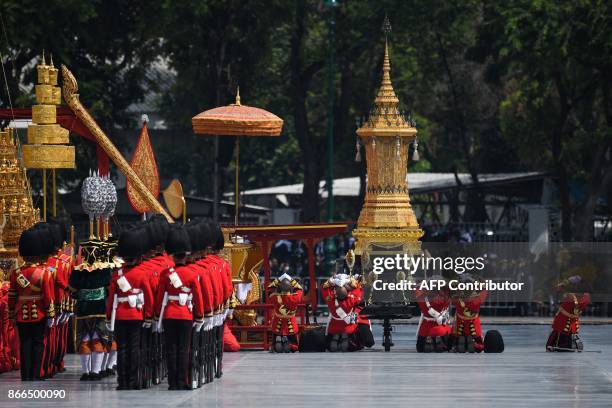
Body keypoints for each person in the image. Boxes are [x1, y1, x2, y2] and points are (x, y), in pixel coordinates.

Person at [154, 225, 204, 390]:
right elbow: (197, 298)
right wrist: (200, 316)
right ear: (186, 255)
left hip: (169, 314)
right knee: (184, 349)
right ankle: (182, 381)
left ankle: (172, 382)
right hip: (185, 315)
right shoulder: (192, 274)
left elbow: (160, 297)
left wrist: (156, 315)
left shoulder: (166, 274)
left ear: (173, 255)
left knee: (171, 349)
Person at [106, 227, 154, 390]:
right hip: (136, 315)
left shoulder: (117, 274)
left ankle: (123, 381)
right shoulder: (142, 273)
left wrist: (108, 318)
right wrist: (148, 315)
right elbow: (148, 296)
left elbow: (111, 298)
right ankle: (133, 380)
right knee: (134, 348)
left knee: (122, 348)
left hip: (120, 315)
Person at [8, 227, 55, 381]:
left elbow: (12, 296)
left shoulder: (16, 273)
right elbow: (48, 297)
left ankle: (25, 375)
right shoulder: (45, 273)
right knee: (38, 343)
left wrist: (11, 314)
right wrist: (51, 314)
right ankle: (35, 374)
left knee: (24, 345)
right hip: (39, 313)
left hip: (21, 315)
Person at [69, 235, 114, 381]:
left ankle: (86, 371)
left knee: (84, 339)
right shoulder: (104, 270)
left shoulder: (77, 270)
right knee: (98, 339)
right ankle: (95, 371)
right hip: (100, 309)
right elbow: (109, 288)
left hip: (83, 310)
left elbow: (72, 290)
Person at [546, 275, 590, 352]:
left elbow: (578, 308)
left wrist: (575, 314)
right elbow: (562, 308)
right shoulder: (569, 296)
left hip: (570, 317)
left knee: (569, 331)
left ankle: (567, 345)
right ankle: (553, 345)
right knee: (559, 330)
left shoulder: (581, 297)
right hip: (564, 317)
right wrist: (571, 315)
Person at [321, 273, 363, 352]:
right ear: (347, 293)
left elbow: (324, 287)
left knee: (335, 327)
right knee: (354, 322)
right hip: (348, 327)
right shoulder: (352, 300)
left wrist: (333, 280)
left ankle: (335, 338)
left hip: (333, 327)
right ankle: (345, 337)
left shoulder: (330, 300)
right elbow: (358, 288)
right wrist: (350, 280)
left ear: (335, 292)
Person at [450, 274, 487, 353]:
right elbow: (484, 290)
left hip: (460, 324)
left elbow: (451, 296)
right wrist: (482, 283)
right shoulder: (478, 299)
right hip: (473, 324)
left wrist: (457, 284)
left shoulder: (457, 300)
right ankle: (476, 344)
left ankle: (456, 344)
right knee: (479, 339)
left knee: (454, 336)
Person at [415, 277, 452, 352]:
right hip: (440, 325)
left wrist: (420, 285)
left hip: (426, 326)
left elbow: (416, 290)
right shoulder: (445, 298)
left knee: (420, 348)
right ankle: (439, 342)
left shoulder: (422, 298)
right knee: (448, 343)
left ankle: (429, 341)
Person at [268, 273, 302, 353]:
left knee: (276, 333)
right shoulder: (295, 297)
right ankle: (289, 344)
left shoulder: (275, 297)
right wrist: (290, 279)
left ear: (279, 287)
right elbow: (299, 289)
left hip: (277, 323)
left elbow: (269, 288)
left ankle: (277, 342)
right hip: (290, 323)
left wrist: (280, 279)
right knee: (294, 345)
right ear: (290, 287)